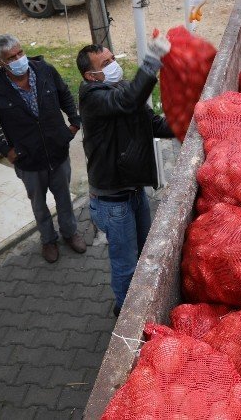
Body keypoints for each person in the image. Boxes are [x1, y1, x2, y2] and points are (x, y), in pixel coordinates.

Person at [76, 35, 174, 316]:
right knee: (125, 264)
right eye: (104, 63)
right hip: (112, 202)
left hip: (133, 191)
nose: (112, 65)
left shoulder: (117, 87)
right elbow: (129, 101)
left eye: (111, 59)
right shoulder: (93, 98)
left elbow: (150, 122)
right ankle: (125, 313)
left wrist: (183, 123)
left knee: (145, 252)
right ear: (90, 76)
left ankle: (146, 300)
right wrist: (152, 60)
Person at [0, 34, 86, 263]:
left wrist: (74, 123)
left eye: (20, 53)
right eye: (11, 57)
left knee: (64, 198)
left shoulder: (44, 70)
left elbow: (64, 93)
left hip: (57, 152)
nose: (18, 59)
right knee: (38, 204)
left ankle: (70, 233)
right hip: (28, 162)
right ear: (0, 62)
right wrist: (6, 150)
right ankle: (48, 240)